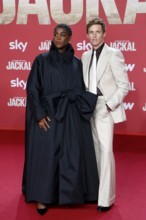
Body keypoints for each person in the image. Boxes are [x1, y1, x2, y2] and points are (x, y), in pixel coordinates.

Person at [22, 23, 99, 216]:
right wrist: (39, 115)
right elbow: (32, 89)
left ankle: (69, 195)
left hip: (70, 116)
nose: (58, 38)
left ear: (69, 38)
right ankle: (42, 198)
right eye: (56, 34)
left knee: (69, 156)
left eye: (63, 35)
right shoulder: (41, 60)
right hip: (48, 115)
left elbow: (81, 88)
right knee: (46, 157)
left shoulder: (77, 63)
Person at [81, 18, 129, 212]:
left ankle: (106, 199)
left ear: (104, 34)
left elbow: (123, 86)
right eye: (91, 32)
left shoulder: (114, 54)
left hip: (104, 108)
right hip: (88, 108)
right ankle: (96, 193)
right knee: (95, 153)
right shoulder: (84, 56)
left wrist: (108, 106)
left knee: (106, 152)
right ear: (87, 35)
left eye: (97, 32)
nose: (94, 35)